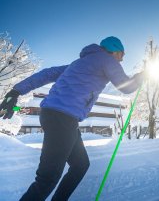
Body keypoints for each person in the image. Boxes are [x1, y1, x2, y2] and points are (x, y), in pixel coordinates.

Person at [0, 36, 145, 200]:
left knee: (80, 165)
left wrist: (16, 91)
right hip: (63, 118)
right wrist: (139, 78)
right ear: (114, 51)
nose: (123, 59)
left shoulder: (79, 64)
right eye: (122, 54)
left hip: (56, 116)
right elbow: (125, 86)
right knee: (47, 178)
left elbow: (47, 74)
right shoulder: (107, 59)